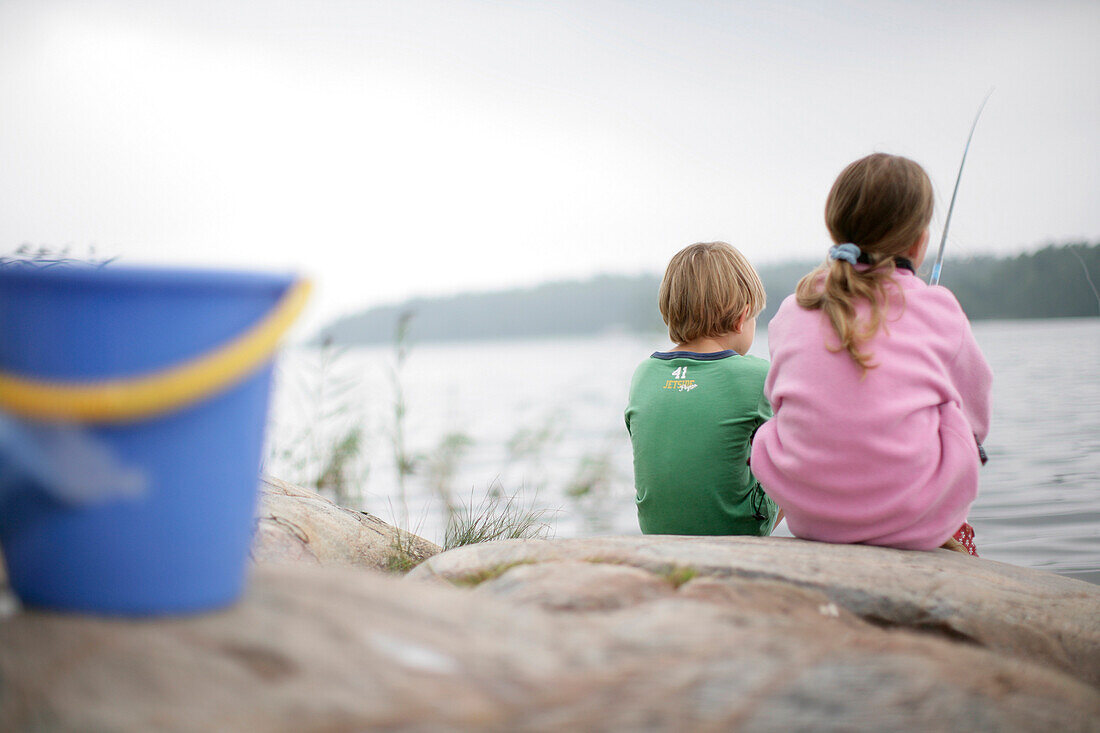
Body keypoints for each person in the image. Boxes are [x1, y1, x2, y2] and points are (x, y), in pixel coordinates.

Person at [750, 153, 992, 555]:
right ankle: (945, 526)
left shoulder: (794, 309)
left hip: (811, 519)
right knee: (952, 408)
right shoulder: (939, 307)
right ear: (920, 241)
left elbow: (779, 399)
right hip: (914, 522)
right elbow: (976, 418)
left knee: (772, 424)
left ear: (835, 229)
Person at [625, 241, 779, 536]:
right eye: (755, 319)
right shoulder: (756, 374)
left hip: (656, 531)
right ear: (740, 318)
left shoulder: (643, 374)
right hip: (735, 532)